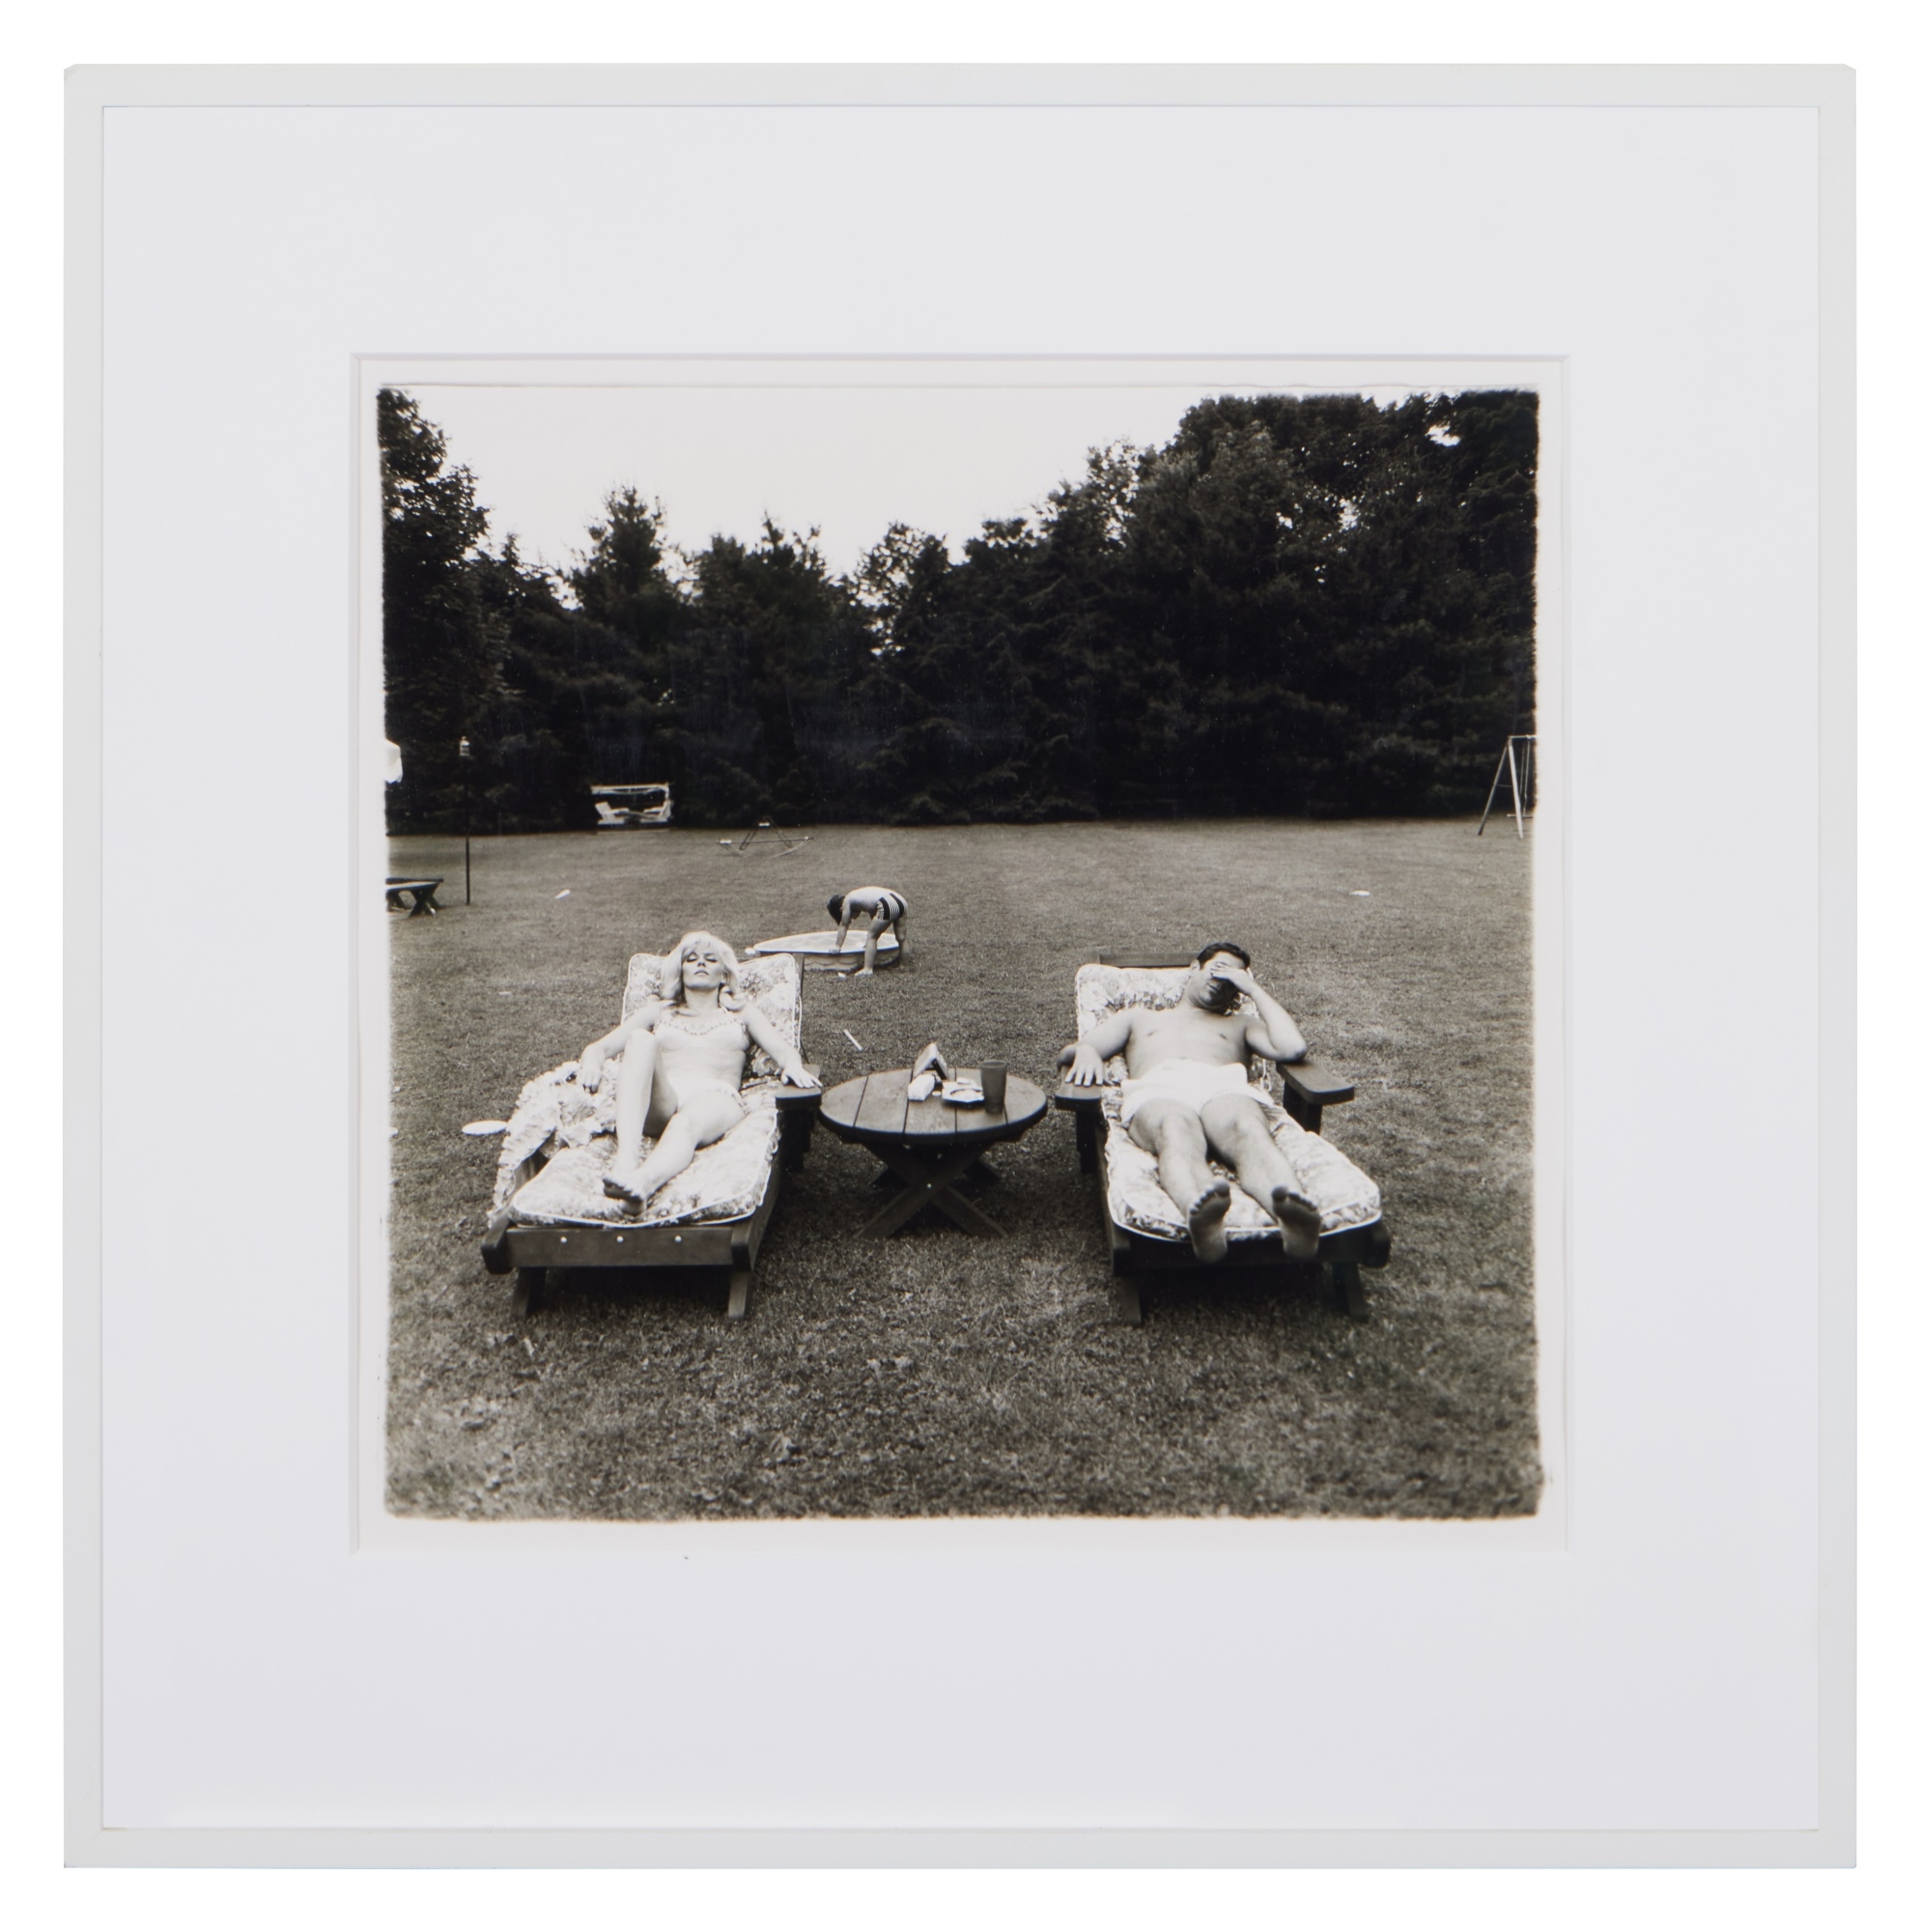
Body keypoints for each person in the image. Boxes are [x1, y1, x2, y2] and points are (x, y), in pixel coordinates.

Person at [1059, 941, 1321, 1265]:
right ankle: (1201, 1215)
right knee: (1175, 1129)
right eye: (1218, 970)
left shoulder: (1240, 1025)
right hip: (1159, 1089)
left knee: (1248, 1129)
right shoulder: (1139, 1018)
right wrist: (1085, 1052)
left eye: (1232, 980)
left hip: (1222, 1088)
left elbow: (1293, 1047)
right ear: (1194, 968)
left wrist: (1253, 989)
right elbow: (1076, 1049)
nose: (1222, 982)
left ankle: (1293, 1218)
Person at [577, 930, 819, 1208]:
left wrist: (794, 1065)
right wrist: (592, 1062)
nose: (700, 964)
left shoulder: (741, 1012)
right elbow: (598, 1048)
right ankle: (626, 1164)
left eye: (710, 959)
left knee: (686, 1123)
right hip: (665, 1097)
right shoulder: (660, 1011)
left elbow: (784, 1050)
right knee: (640, 1039)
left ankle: (643, 1184)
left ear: (724, 975)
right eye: (691, 959)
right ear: (680, 972)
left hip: (716, 1097)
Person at [827, 886, 909, 978]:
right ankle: (904, 965)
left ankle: (868, 969)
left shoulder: (847, 901)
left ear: (841, 910)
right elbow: (875, 916)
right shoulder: (860, 896)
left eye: (851, 917)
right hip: (901, 900)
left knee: (871, 936)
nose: (854, 918)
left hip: (887, 903)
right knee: (902, 938)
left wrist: (837, 946)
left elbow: (843, 925)